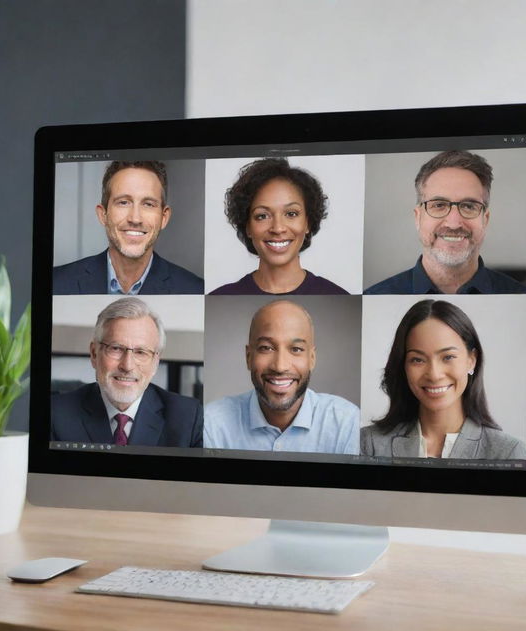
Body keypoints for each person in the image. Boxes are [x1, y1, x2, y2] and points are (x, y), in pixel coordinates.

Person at [360, 299, 526, 459]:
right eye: (417, 359)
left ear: (471, 360)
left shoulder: (509, 452)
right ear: (403, 365)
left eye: (448, 357)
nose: (434, 374)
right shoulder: (367, 444)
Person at [204, 300, 359, 453]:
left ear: (312, 359)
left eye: (296, 349)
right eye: (266, 348)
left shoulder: (347, 423)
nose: (280, 366)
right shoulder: (211, 423)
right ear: (248, 357)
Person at [364, 150, 526, 294]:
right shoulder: (375, 295)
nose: (454, 223)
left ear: (485, 220)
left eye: (468, 206)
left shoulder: (524, 295)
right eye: (439, 205)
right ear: (418, 217)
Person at [51, 297, 203, 447]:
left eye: (141, 352)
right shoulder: (55, 414)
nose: (127, 365)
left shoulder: (189, 418)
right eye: (116, 348)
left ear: (156, 362)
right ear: (94, 354)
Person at [53, 160, 204, 294]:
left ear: (164, 218)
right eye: (123, 202)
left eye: (148, 204)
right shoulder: (56, 283)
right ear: (103, 214)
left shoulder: (194, 288)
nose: (135, 219)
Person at [209, 158, 348, 294]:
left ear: (308, 223)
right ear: (248, 227)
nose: (278, 228)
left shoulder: (337, 294)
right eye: (262, 216)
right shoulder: (220, 295)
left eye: (291, 214)